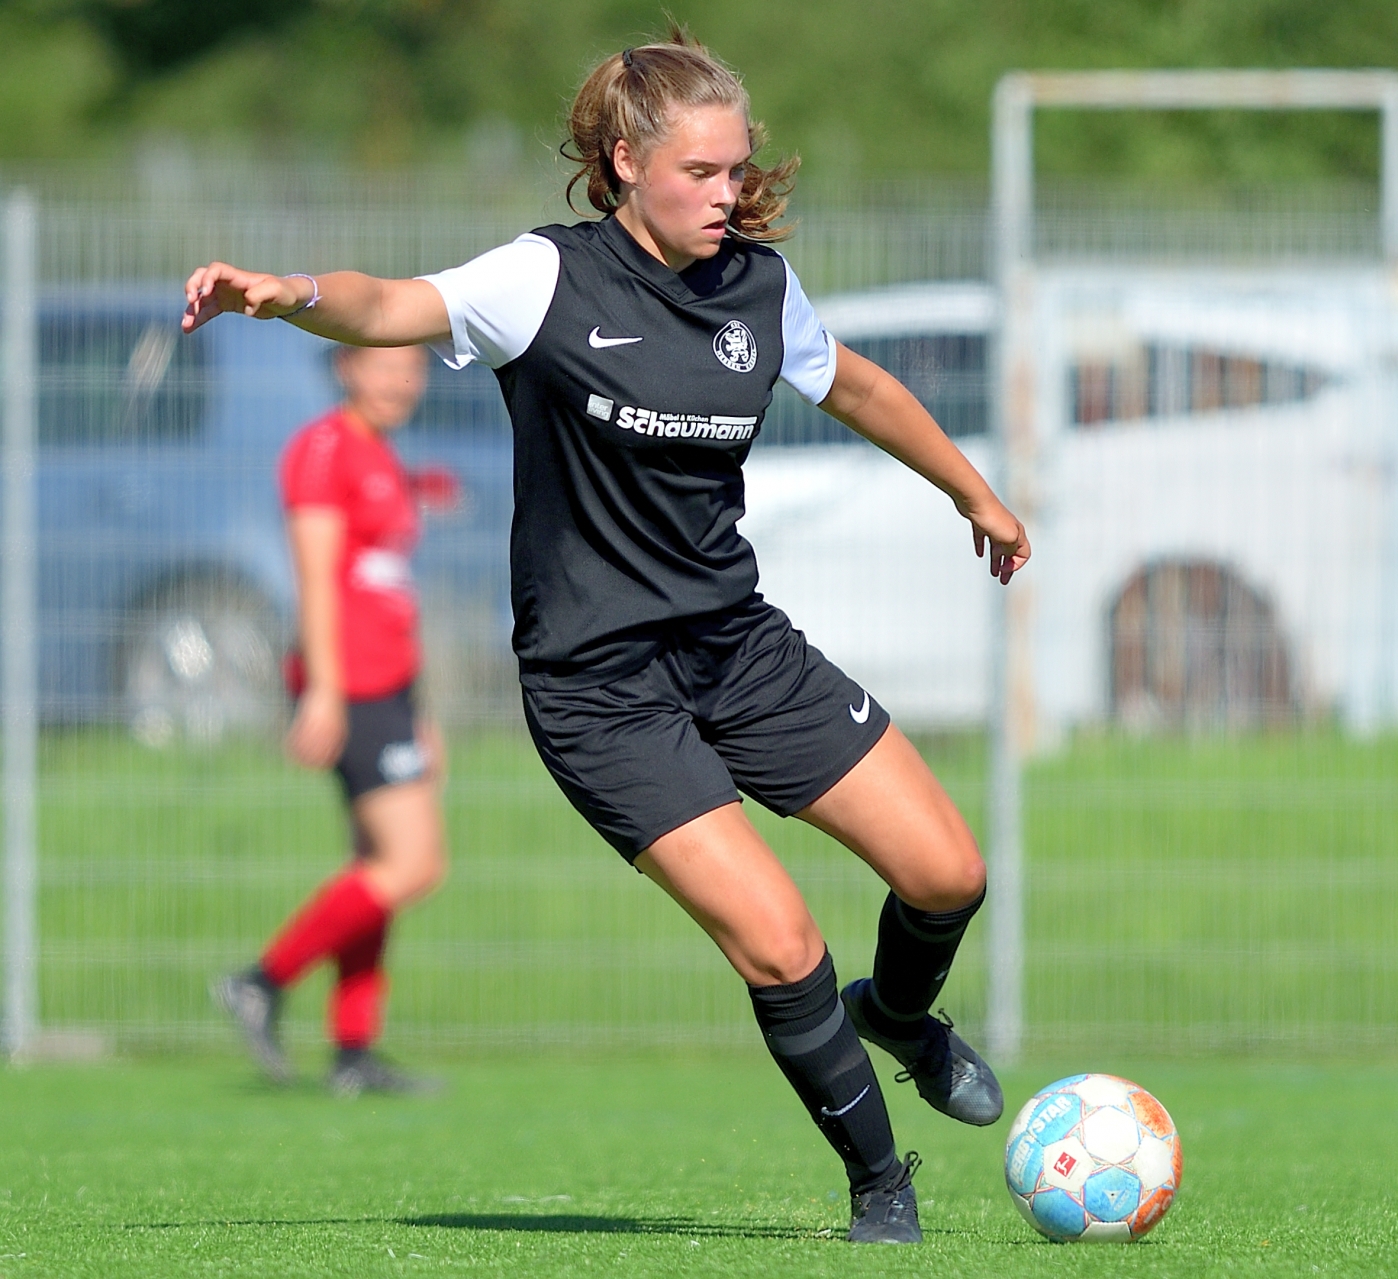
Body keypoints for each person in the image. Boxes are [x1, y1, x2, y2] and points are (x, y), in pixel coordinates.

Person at [179, 30, 1029, 1244]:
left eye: (738, 170)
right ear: (626, 163)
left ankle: (898, 1014)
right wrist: (292, 295)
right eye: (702, 173)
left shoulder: (758, 288)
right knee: (781, 941)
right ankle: (881, 1191)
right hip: (601, 690)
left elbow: (860, 387)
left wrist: (972, 491)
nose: (728, 194)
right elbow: (394, 304)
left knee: (950, 873)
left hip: (737, 646)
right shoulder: (544, 279)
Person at [212, 342, 450, 1099]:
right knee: (413, 862)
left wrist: (420, 709)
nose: (400, 381)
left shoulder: (382, 455)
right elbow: (315, 581)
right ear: (345, 366)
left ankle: (353, 1051)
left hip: (388, 687)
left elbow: (386, 590)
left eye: (412, 369)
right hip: (350, 686)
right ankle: (261, 979)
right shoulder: (323, 450)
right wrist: (323, 690)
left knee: (373, 865)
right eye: (384, 365)